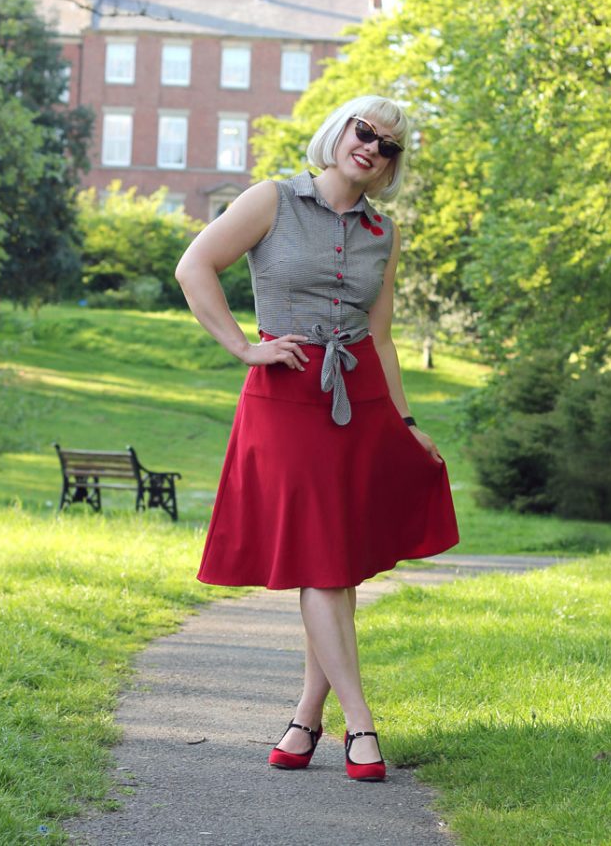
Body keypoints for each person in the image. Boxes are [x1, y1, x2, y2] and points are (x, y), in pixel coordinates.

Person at [175, 95, 459, 782]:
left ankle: (306, 716)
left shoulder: (382, 233)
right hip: (286, 395)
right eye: (366, 132)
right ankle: (359, 721)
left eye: (389, 147)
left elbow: (383, 338)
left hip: (358, 400)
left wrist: (408, 423)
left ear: (391, 165)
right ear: (341, 130)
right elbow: (194, 267)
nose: (373, 148)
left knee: (335, 559)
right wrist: (244, 347)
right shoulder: (272, 199)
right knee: (323, 561)